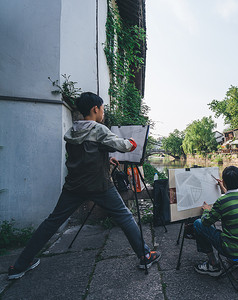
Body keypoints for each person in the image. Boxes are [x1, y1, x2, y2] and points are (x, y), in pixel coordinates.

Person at [8, 92, 160, 280]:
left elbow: (86, 155)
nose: (103, 112)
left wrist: (105, 159)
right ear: (95, 109)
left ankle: (20, 265)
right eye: (102, 108)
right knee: (125, 217)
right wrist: (132, 141)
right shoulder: (98, 129)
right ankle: (145, 256)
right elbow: (124, 146)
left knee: (52, 222)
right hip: (100, 186)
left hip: (74, 187)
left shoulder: (72, 131)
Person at [193, 166, 238, 277]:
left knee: (198, 223)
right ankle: (235, 261)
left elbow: (206, 222)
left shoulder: (222, 201)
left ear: (224, 181)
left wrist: (207, 211)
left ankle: (213, 264)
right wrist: (223, 188)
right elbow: (231, 199)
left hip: (231, 249)